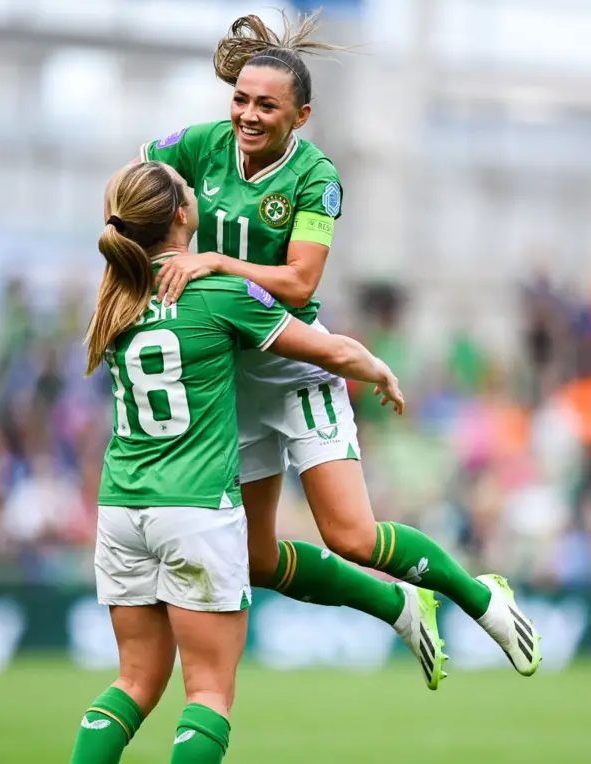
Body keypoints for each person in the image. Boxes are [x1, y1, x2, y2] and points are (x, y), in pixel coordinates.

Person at [138, 8, 542, 689]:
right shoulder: (199, 146)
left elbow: (300, 282)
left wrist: (210, 262)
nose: (248, 115)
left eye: (267, 105)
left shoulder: (316, 177)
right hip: (234, 381)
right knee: (260, 560)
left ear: (302, 116)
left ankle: (480, 598)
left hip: (295, 366)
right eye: (241, 99)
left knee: (351, 537)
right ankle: (398, 604)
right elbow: (138, 186)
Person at [69, 160, 415, 764]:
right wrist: (378, 368)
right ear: (183, 214)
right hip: (197, 510)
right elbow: (326, 349)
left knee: (134, 685)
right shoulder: (216, 291)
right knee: (206, 693)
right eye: (187, 189)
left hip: (122, 507)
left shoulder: (115, 295)